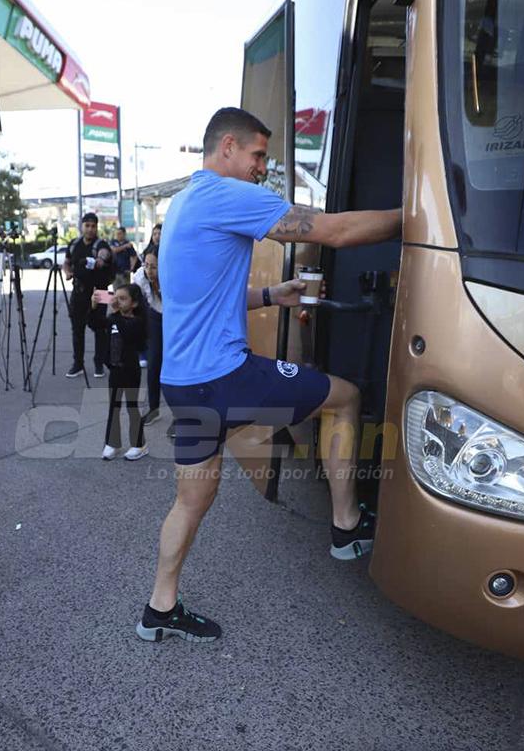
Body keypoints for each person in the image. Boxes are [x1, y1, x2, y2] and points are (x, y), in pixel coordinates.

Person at [137, 107, 402, 643]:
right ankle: (346, 526)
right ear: (228, 147)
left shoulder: (184, 203)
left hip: (184, 384)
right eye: (258, 155)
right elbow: (336, 230)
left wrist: (269, 296)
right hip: (226, 378)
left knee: (192, 500)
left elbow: (200, 295)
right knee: (345, 398)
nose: (263, 168)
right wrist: (416, 213)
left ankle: (158, 608)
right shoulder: (227, 195)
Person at [91, 283, 148, 461]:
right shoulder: (114, 319)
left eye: (123, 299)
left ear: (134, 304)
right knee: (113, 408)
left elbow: (129, 334)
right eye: (116, 297)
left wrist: (115, 313)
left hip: (130, 371)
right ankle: (112, 443)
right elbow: (95, 324)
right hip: (115, 370)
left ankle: (139, 444)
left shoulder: (137, 322)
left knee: (132, 407)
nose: (118, 302)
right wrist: (94, 307)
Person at [62, 212, 113, 378]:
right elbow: (66, 262)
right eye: (87, 225)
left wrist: (100, 260)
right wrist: (68, 272)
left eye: (93, 226)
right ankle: (78, 364)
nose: (90, 229)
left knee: (100, 328)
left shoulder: (101, 244)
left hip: (101, 292)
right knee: (77, 329)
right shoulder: (74, 244)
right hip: (79, 291)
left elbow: (104, 254)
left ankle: (99, 364)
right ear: (82, 226)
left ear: (97, 228)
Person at [132, 250, 163, 425]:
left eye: (154, 267)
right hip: (155, 318)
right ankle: (154, 408)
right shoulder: (140, 277)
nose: (149, 270)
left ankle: (181, 415)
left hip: (175, 320)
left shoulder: (172, 276)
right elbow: (131, 296)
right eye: (147, 265)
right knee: (153, 364)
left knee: (174, 367)